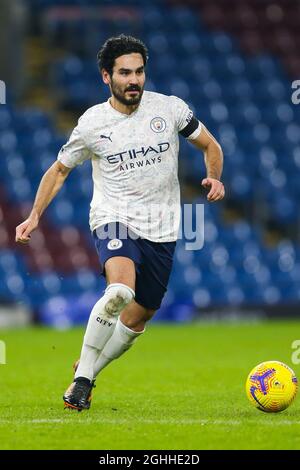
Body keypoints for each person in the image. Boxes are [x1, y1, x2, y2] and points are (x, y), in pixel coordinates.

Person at [15, 35, 225, 411]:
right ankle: (80, 383)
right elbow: (59, 170)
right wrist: (34, 216)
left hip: (162, 228)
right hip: (114, 218)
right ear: (105, 76)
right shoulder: (93, 123)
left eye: (139, 71)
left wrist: (214, 176)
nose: (134, 80)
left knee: (138, 317)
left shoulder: (171, 109)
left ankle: (89, 369)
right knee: (120, 291)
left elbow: (211, 146)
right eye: (125, 72)